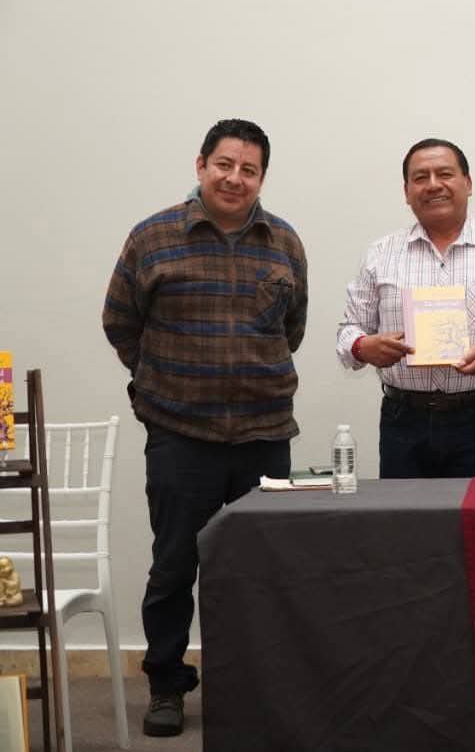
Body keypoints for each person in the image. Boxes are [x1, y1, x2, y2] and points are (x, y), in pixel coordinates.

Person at [102, 118, 306, 737]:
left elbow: (291, 329)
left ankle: (252, 684)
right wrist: (164, 382)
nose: (235, 178)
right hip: (180, 435)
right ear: (201, 165)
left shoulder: (284, 242)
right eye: (224, 164)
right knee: (173, 566)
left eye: (249, 169)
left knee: (260, 568)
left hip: (264, 436)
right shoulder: (153, 237)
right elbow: (120, 323)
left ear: (261, 178)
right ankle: (166, 684)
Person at [336, 138, 475, 478]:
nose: (433, 185)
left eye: (444, 174)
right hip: (402, 417)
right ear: (406, 192)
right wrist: (363, 347)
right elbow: (349, 328)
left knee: (470, 510)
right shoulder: (380, 253)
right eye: (421, 177)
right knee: (402, 511)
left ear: (468, 183)